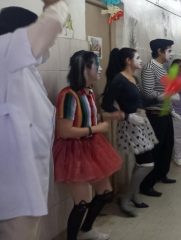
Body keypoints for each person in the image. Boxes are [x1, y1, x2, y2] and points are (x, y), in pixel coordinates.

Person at [0, 2, 68, 240]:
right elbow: (51, 24)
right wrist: (56, 4)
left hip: (26, 181)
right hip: (14, 186)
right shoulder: (5, 51)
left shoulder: (24, 69)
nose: (52, 41)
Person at [53, 50, 122, 240]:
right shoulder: (68, 96)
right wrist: (96, 128)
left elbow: (88, 118)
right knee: (82, 202)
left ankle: (87, 230)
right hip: (73, 151)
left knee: (105, 192)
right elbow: (65, 131)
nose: (100, 68)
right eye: (96, 65)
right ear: (84, 68)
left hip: (92, 147)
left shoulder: (89, 92)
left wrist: (110, 117)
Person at [101, 48, 159, 216]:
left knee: (142, 162)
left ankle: (133, 195)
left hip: (142, 122)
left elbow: (138, 100)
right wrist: (126, 116)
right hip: (131, 125)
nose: (141, 60)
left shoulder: (133, 78)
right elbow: (106, 104)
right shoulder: (119, 79)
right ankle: (125, 198)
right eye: (138, 58)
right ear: (128, 60)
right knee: (148, 163)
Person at [140, 39, 179, 197]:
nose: (170, 54)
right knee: (156, 150)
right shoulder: (149, 68)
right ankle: (147, 184)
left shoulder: (163, 68)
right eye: (168, 51)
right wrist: (167, 95)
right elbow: (148, 94)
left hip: (166, 113)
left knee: (167, 147)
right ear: (159, 51)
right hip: (155, 115)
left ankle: (162, 174)